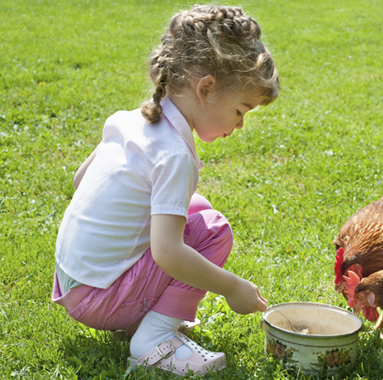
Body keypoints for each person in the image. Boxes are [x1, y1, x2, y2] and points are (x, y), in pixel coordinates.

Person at [51, 4, 279, 376]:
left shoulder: (129, 120)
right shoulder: (174, 155)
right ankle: (153, 340)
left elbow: (80, 181)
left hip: (72, 281)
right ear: (206, 89)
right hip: (100, 298)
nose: (240, 126)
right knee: (212, 229)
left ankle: (145, 313)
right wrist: (232, 288)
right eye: (241, 111)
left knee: (195, 207)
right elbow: (168, 255)